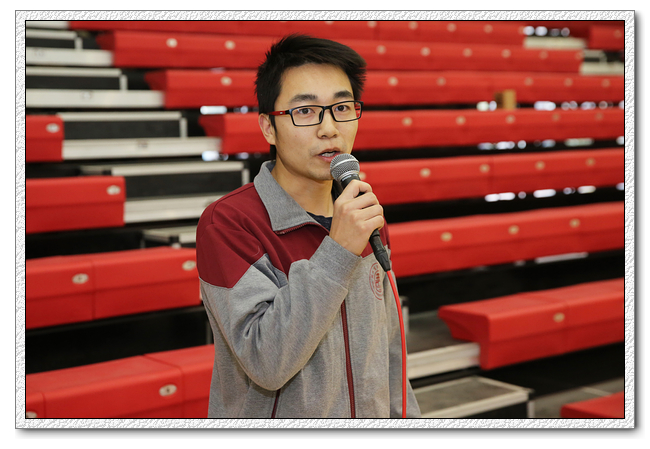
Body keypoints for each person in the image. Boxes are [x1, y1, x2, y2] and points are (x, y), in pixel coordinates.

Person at [196, 34, 421, 418]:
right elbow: (266, 362)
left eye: (342, 108)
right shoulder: (230, 223)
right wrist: (338, 251)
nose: (329, 128)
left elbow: (388, 354)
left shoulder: (362, 212)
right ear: (269, 127)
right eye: (305, 111)